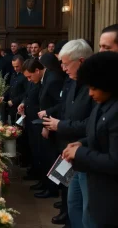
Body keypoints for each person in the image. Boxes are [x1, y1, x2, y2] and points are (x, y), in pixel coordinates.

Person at [42, 40, 94, 227]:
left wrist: (61, 125)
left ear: (80, 61)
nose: (62, 68)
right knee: (73, 204)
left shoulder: (94, 87)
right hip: (68, 150)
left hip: (86, 153)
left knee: (87, 210)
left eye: (65, 63)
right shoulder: (72, 82)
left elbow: (92, 124)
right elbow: (64, 108)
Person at [63, 51, 118, 228]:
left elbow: (115, 161)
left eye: (94, 88)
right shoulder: (103, 103)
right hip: (90, 174)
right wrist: (82, 143)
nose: (90, 93)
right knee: (76, 208)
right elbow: (97, 134)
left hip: (107, 191)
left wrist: (80, 151)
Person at [22, 57, 63, 198]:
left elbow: (61, 104)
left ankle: (52, 189)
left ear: (37, 70)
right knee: (44, 156)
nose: (28, 80)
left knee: (51, 158)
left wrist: (47, 113)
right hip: (45, 123)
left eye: (29, 76)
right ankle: (45, 184)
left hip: (53, 125)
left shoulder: (53, 80)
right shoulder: (44, 78)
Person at [0, 55, 28, 124]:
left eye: (17, 66)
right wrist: (4, 96)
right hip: (11, 107)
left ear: (22, 64)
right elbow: (11, 88)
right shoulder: (14, 74)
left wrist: (14, 101)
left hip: (20, 107)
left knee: (19, 128)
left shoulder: (26, 76)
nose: (15, 68)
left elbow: (27, 93)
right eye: (13, 66)